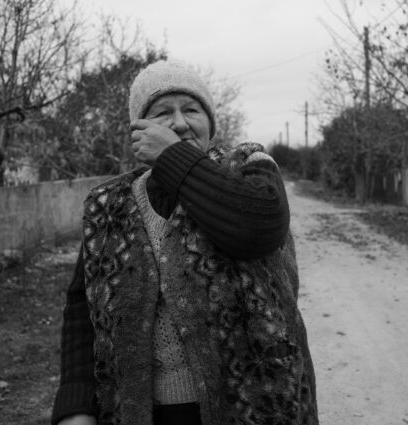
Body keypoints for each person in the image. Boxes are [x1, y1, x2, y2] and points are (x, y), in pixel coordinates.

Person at [51, 60, 319, 425]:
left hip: (257, 408)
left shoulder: (249, 168)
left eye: (191, 110)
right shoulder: (107, 204)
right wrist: (75, 407)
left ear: (210, 122)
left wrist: (172, 157)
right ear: (138, 129)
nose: (179, 122)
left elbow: (259, 228)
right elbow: (83, 311)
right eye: (162, 113)